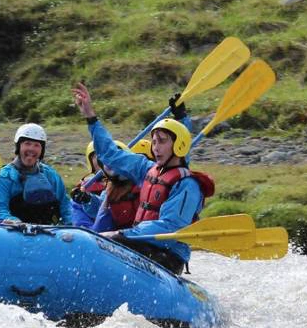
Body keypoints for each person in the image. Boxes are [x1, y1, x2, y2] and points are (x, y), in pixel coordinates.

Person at [72, 83, 214, 275]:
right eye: (154, 142)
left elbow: (170, 226)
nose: (155, 147)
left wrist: (122, 235)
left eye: (162, 141)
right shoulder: (146, 169)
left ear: (179, 145)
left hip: (167, 256)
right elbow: (110, 154)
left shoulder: (187, 185)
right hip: (140, 247)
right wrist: (91, 116)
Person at [0, 123, 73, 225]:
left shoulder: (51, 175)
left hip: (48, 233)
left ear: (41, 150)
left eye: (36, 145)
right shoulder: (4, 177)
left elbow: (66, 207)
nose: (31, 149)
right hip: (14, 234)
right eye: (27, 143)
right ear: (19, 146)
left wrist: (71, 227)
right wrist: (14, 223)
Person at [72, 140, 142, 232]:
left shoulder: (144, 182)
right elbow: (100, 208)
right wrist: (88, 199)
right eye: (95, 155)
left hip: (137, 234)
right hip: (108, 235)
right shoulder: (108, 189)